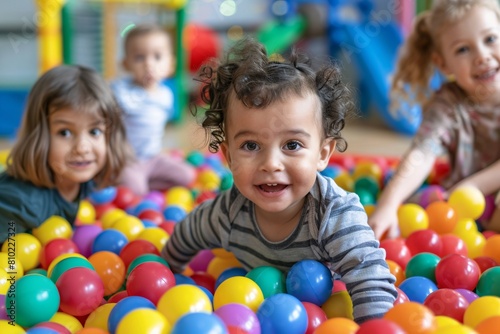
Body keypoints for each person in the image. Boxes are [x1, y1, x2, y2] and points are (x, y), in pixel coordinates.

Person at [161, 38, 397, 323]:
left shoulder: (334, 214)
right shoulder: (228, 213)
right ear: (228, 156)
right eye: (250, 146)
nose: (271, 164)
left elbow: (371, 280)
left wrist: (372, 327)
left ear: (323, 154)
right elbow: (187, 233)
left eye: (292, 145)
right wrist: (166, 272)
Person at [368, 0, 500, 239]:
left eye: (490, 39)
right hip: (460, 205)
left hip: (471, 194)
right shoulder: (449, 104)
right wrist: (388, 203)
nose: (482, 56)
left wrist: (471, 188)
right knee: (417, 206)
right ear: (443, 63)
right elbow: (422, 152)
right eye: (463, 49)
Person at [0, 65, 132, 243]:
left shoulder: (82, 178)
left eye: (94, 131)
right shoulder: (22, 205)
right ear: (39, 137)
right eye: (65, 133)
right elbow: (10, 258)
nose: (82, 148)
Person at [111, 24, 196, 197]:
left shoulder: (166, 94)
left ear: (170, 64)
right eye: (139, 58)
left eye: (157, 57)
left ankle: (148, 181)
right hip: (128, 161)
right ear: (126, 64)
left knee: (187, 175)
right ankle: (133, 181)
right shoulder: (122, 92)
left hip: (154, 158)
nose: (149, 64)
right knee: (135, 190)